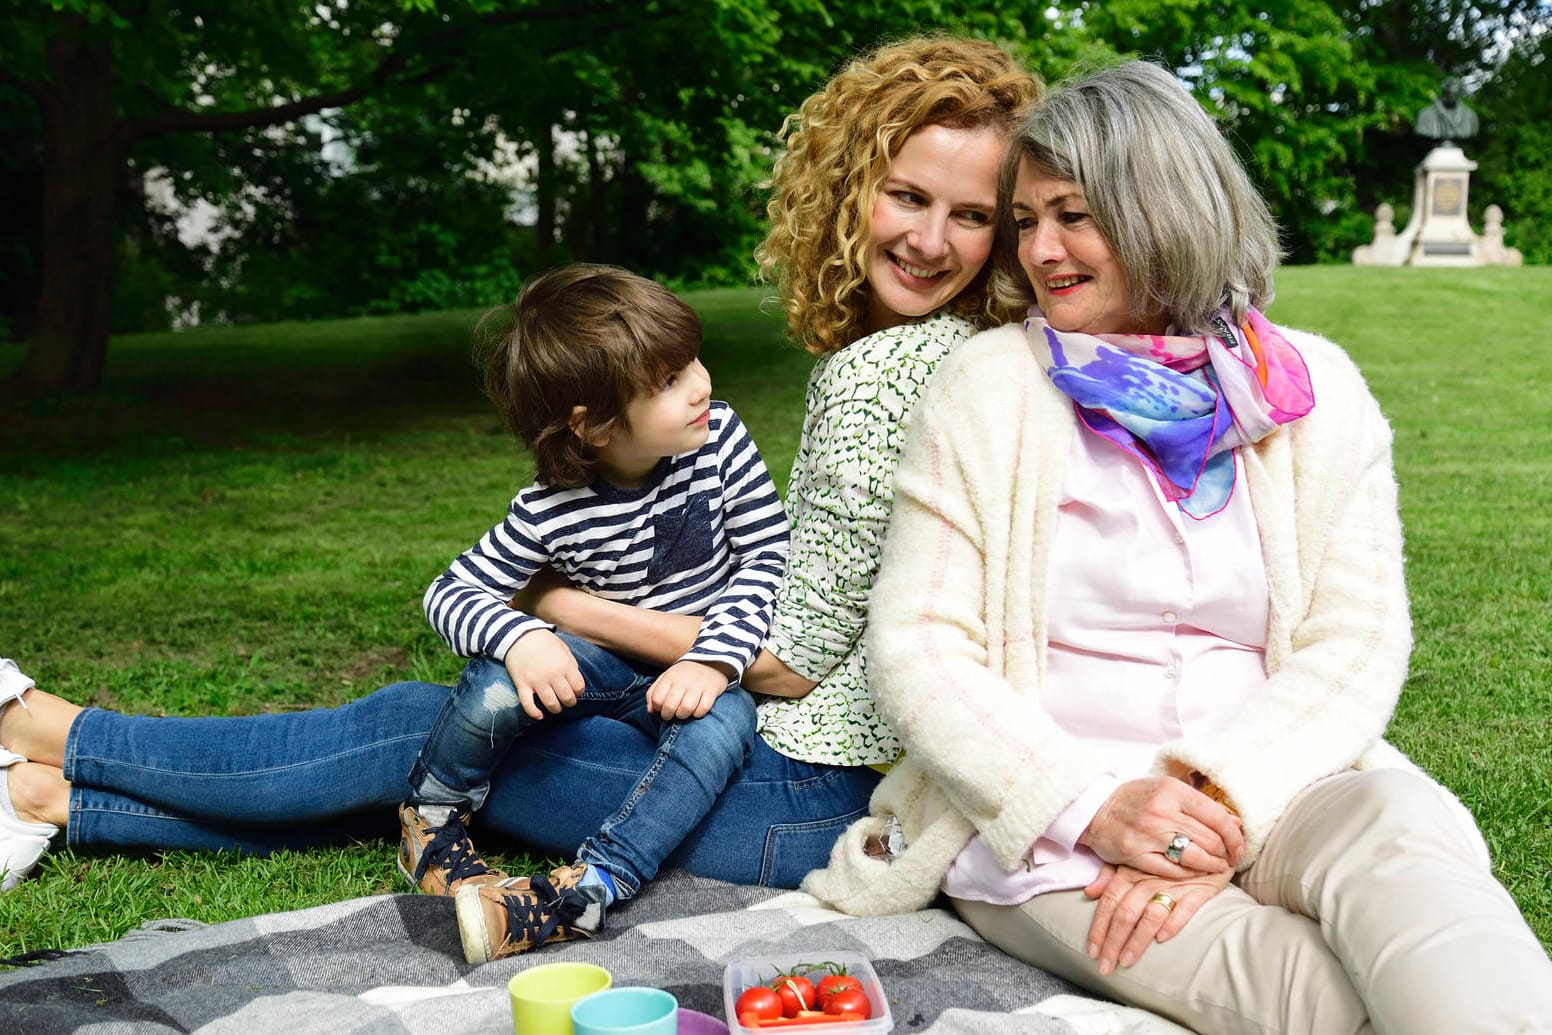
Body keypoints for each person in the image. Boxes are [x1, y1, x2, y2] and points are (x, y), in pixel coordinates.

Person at [0, 36, 1037, 901]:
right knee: (445, 755)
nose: (931, 240)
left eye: (972, 214)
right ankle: (65, 802)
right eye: (907, 196)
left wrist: (567, 607)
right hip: (819, 779)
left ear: (1005, 231)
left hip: (798, 793)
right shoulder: (972, 355)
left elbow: (791, 663)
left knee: (419, 728)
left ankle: (53, 730)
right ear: (856, 187)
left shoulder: (884, 373)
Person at [801, 60, 1552, 1034]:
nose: (1039, 250)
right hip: (1054, 823)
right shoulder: (990, 389)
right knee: (1312, 994)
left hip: (1272, 782)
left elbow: (1357, 640)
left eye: (1072, 215)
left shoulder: (1310, 390)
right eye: (1025, 220)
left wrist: (1207, 807)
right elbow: (922, 652)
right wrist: (1098, 809)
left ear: (1162, 208)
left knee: (1403, 844)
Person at [396, 264, 788, 961]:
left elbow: (767, 559)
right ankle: (432, 822)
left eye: (690, 359)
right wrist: (519, 637)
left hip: (692, 670)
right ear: (596, 425)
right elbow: (448, 592)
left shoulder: (721, 440)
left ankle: (592, 885)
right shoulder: (547, 508)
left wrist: (713, 658)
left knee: (725, 720)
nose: (701, 382)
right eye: (668, 381)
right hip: (598, 670)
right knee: (493, 681)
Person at [1414, 76, 1480, 142]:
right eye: (1448, 94)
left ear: (1459, 94)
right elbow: (1420, 131)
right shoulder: (1424, 114)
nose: (1451, 97)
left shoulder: (1471, 116)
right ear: (1442, 93)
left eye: (1454, 95)